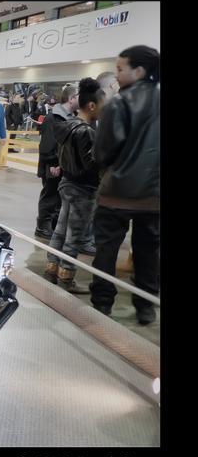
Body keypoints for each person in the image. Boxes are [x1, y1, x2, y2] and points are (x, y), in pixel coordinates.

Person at [89, 45, 160, 325]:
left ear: (139, 71)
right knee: (148, 252)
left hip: (116, 194)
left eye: (120, 68)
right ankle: (145, 306)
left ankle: (102, 303)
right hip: (154, 197)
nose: (116, 75)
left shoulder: (118, 103)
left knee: (106, 250)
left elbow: (102, 152)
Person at [44, 78, 105, 293]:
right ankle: (66, 277)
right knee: (74, 236)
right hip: (83, 189)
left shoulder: (68, 125)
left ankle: (51, 268)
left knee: (60, 231)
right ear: (92, 106)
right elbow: (91, 165)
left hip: (67, 183)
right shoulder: (86, 131)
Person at [35, 84, 78, 240]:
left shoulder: (71, 117)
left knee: (58, 198)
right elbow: (46, 146)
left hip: (62, 165)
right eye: (78, 96)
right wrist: (54, 164)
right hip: (51, 165)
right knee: (50, 195)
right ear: (71, 98)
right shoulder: (53, 117)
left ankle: (52, 225)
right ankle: (42, 226)